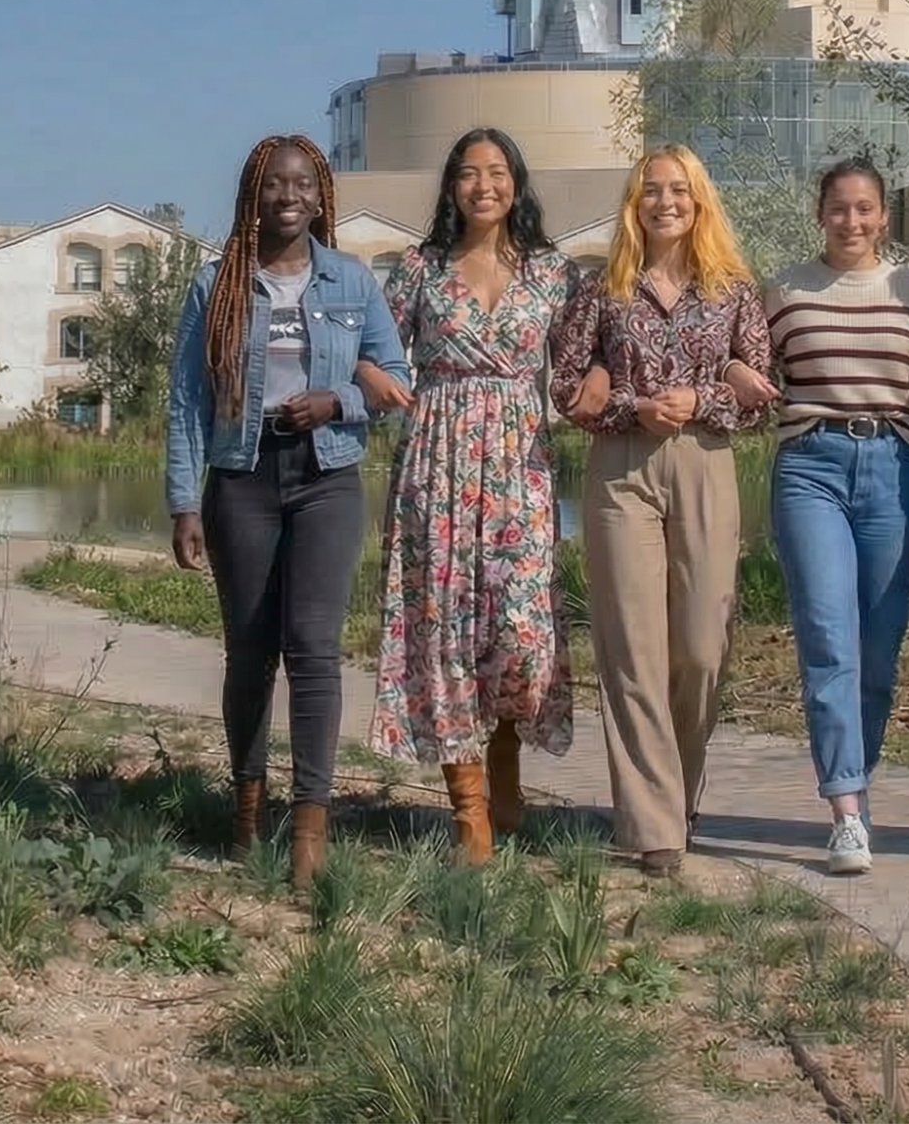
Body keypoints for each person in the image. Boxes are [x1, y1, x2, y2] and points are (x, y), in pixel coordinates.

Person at [166, 134, 413, 894]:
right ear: (253, 194)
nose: (288, 196)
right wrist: (183, 501)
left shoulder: (351, 282)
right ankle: (247, 807)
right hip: (241, 477)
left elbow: (396, 376)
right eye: (274, 184)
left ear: (321, 195)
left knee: (313, 647)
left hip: (327, 475)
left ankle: (310, 825)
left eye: (303, 183)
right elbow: (186, 401)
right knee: (249, 651)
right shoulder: (218, 286)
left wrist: (336, 399)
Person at [369, 128, 592, 863]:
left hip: (521, 463)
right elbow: (365, 345)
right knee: (447, 633)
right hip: (438, 460)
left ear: (517, 184)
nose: (483, 185)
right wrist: (373, 377)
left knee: (520, 635)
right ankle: (470, 814)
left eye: (497, 172)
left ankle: (506, 777)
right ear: (451, 187)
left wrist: (597, 386)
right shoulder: (418, 269)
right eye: (468, 173)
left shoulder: (554, 274)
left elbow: (591, 356)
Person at [551, 144, 773, 878]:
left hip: (705, 463)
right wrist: (631, 403)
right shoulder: (601, 290)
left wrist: (702, 399)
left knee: (702, 649)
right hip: (623, 470)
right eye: (652, 191)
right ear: (633, 203)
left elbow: (761, 397)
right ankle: (652, 826)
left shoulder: (735, 289)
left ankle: (677, 787)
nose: (665, 202)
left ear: (700, 200)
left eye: (679, 190)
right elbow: (564, 386)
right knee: (632, 649)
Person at [763, 159, 909, 876]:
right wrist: (745, 377)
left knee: (879, 652)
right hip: (811, 467)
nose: (852, 222)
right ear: (819, 213)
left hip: (893, 470)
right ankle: (844, 812)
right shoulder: (783, 289)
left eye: (865, 209)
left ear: (884, 217)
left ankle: (858, 792)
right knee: (830, 640)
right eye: (839, 209)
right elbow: (741, 358)